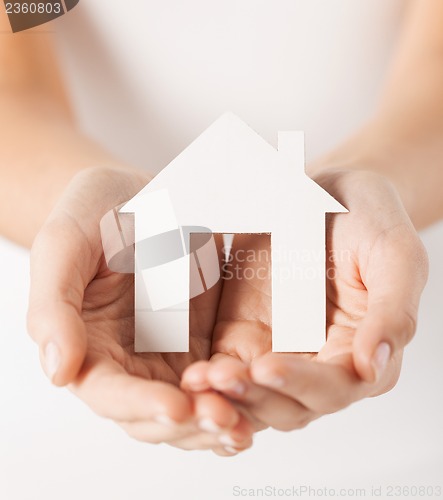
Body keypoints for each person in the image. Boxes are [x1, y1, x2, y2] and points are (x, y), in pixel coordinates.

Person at [1, 1, 442, 456]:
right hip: (54, 419)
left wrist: (358, 184)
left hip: (398, 399)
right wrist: (85, 208)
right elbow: (11, 89)